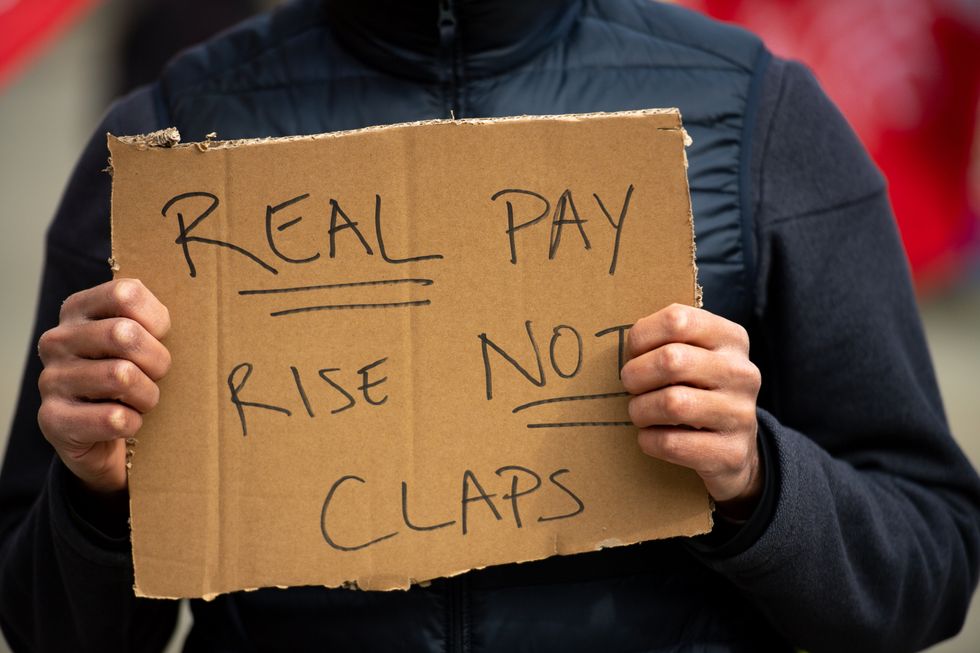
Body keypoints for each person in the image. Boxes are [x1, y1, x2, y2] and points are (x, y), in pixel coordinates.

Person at [1, 1, 978, 651]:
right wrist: (96, 496)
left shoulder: (751, 117)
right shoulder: (173, 139)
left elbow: (928, 567)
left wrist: (758, 478)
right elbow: (41, 621)